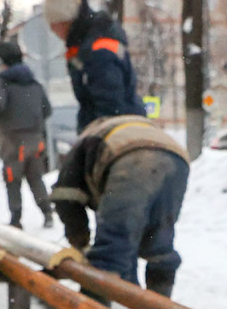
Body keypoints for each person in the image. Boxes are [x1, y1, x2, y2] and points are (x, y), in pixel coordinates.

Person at [51, 114, 190, 299]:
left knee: (111, 250)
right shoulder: (123, 126)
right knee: (158, 242)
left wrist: (79, 239)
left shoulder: (85, 141)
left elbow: (65, 197)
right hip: (175, 157)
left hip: (129, 157)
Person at [42, 0, 146, 131]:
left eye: (55, 26)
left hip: (118, 127)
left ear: (65, 21)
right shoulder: (85, 42)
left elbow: (110, 105)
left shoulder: (97, 49)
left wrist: (94, 139)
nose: (55, 33)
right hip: (128, 120)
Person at [0, 40, 54, 229]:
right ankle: (47, 212)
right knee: (35, 176)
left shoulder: (4, 82)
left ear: (5, 63)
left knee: (12, 178)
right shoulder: (35, 84)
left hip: (14, 140)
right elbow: (47, 110)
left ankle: (16, 218)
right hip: (36, 139)